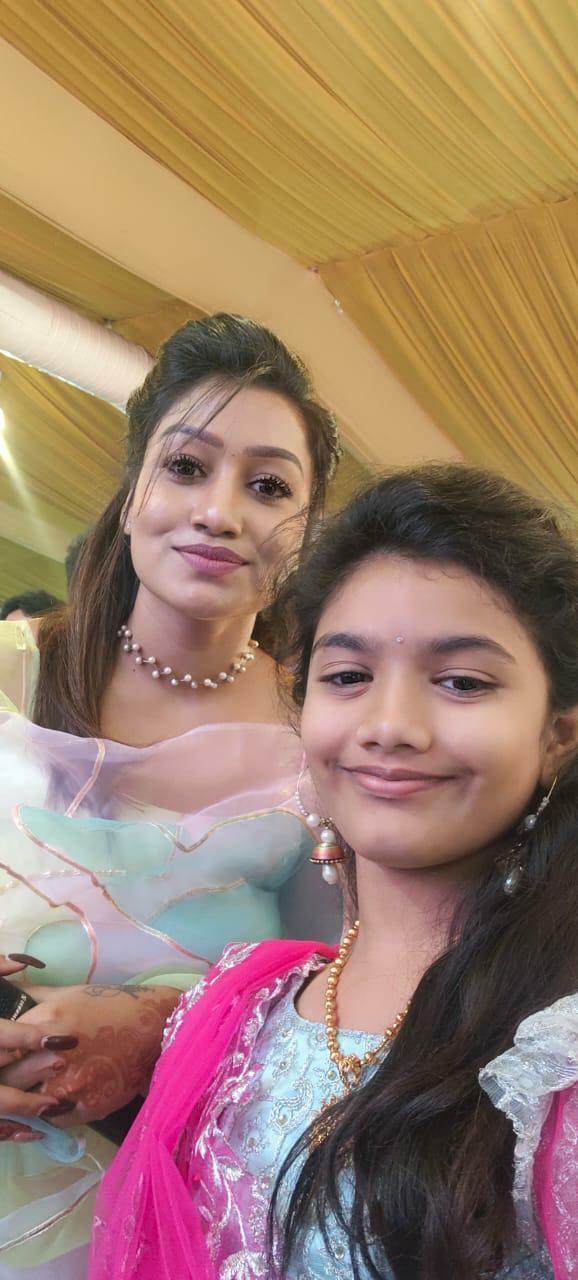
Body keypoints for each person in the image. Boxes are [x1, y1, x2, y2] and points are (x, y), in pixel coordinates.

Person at [92, 464, 578, 1280]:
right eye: (347, 677)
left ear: (557, 736)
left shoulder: (556, 1056)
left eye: (462, 682)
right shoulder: (236, 1005)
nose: (388, 726)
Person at [0, 314, 341, 1275]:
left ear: (306, 535)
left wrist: (166, 1027)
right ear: (132, 494)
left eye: (268, 486)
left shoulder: (325, 737)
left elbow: (349, 991)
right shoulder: (13, 674)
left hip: (179, 1201)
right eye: (187, 467)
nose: (219, 512)